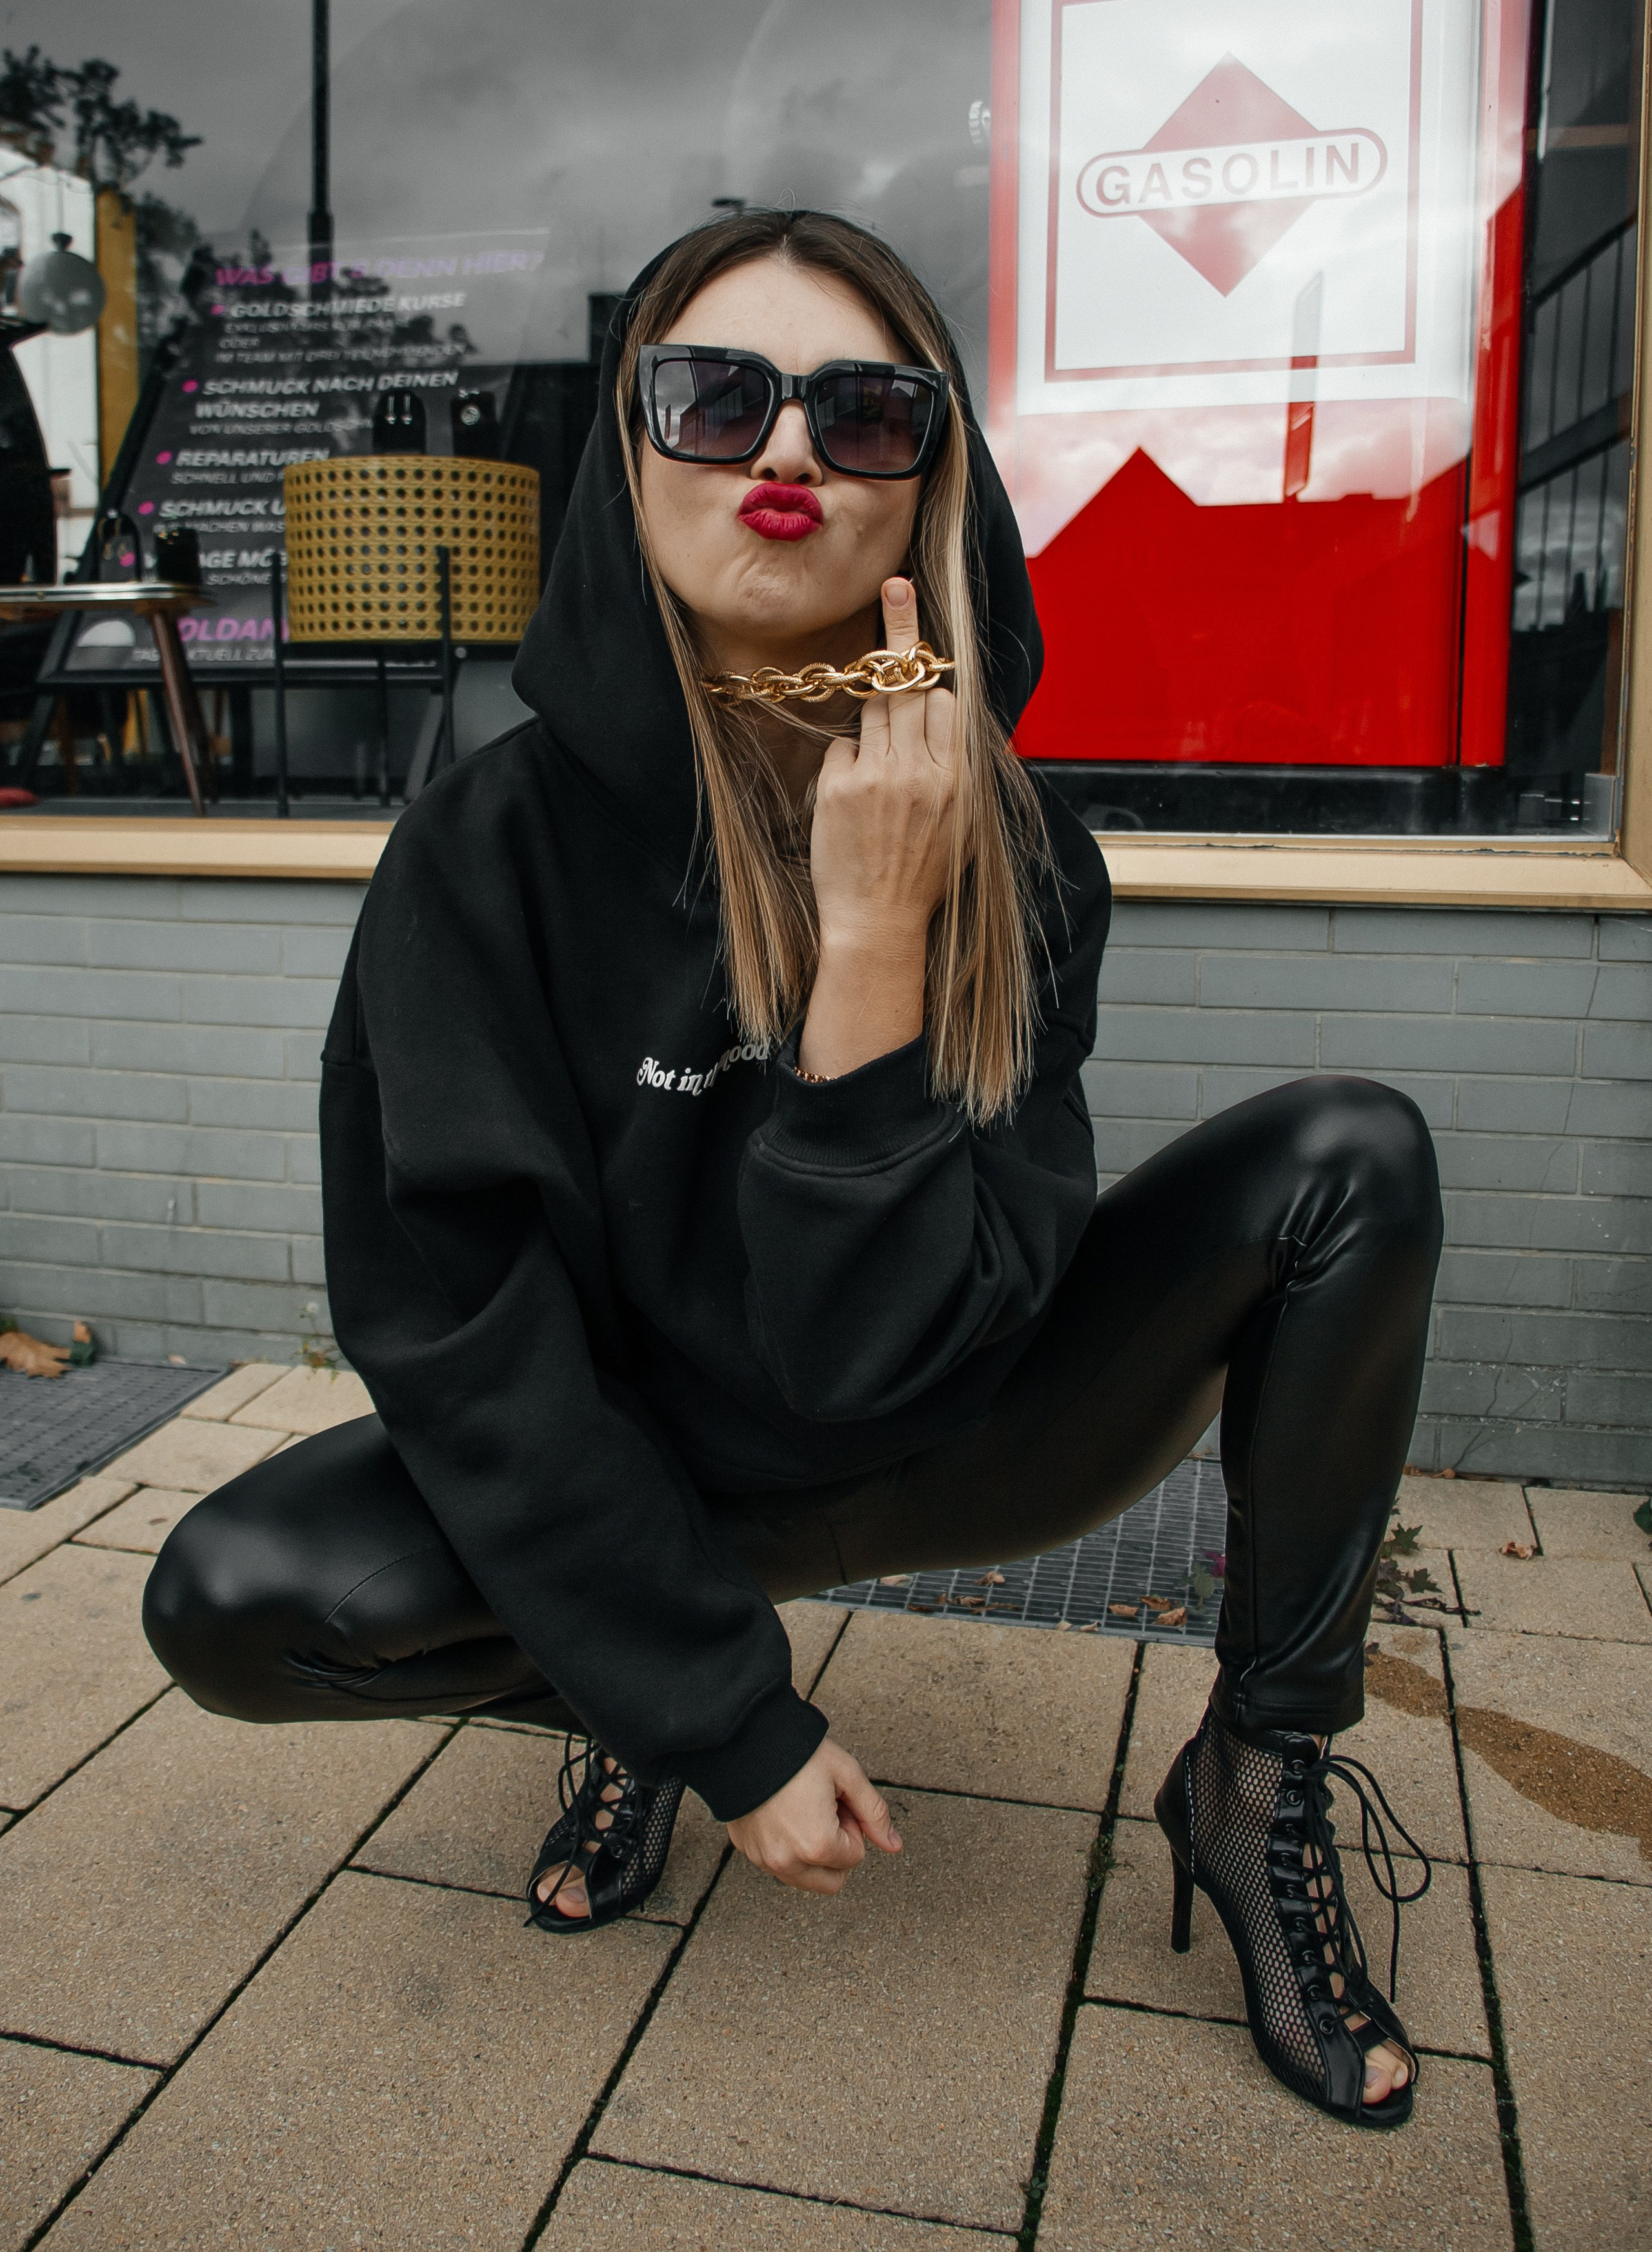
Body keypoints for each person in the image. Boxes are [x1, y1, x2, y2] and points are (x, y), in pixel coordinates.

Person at [145, 208, 1442, 2132]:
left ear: (929, 484)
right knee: (232, 1593)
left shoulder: (1019, 855)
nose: (782, 453)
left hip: (967, 1422)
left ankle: (1255, 1786)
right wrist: (715, 1706)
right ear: (631, 444)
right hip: (671, 1468)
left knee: (1357, 1155)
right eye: (717, 395)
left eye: (862, 414)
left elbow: (879, 1354)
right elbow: (459, 1336)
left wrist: (876, 945)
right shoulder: (484, 848)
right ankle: (629, 1702)